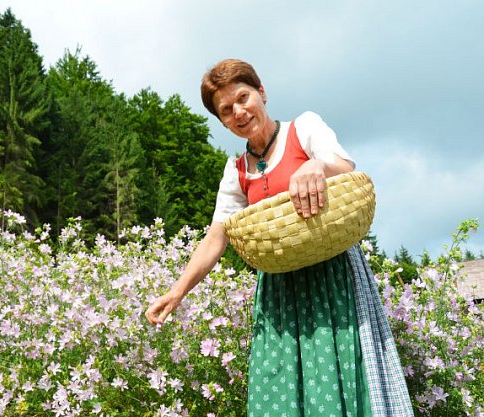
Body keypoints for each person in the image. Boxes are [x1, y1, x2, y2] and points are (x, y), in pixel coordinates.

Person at [145, 59, 414, 417]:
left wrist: (317, 166)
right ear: (222, 120)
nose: (239, 112)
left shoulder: (304, 129)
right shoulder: (236, 172)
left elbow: (344, 166)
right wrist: (177, 291)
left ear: (262, 92)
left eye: (243, 97)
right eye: (226, 110)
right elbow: (216, 238)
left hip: (332, 278)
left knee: (340, 372)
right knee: (279, 385)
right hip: (280, 293)